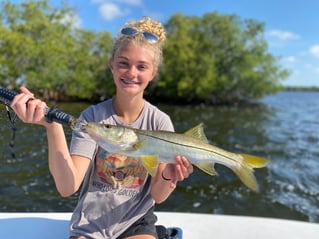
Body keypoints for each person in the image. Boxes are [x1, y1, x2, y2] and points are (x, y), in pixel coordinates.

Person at [10, 16, 193, 239]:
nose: (131, 73)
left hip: (137, 222)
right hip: (90, 224)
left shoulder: (160, 122)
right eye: (123, 63)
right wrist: (52, 126)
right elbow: (68, 187)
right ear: (112, 65)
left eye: (142, 66)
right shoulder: (93, 117)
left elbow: (158, 195)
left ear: (153, 73)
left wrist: (169, 177)